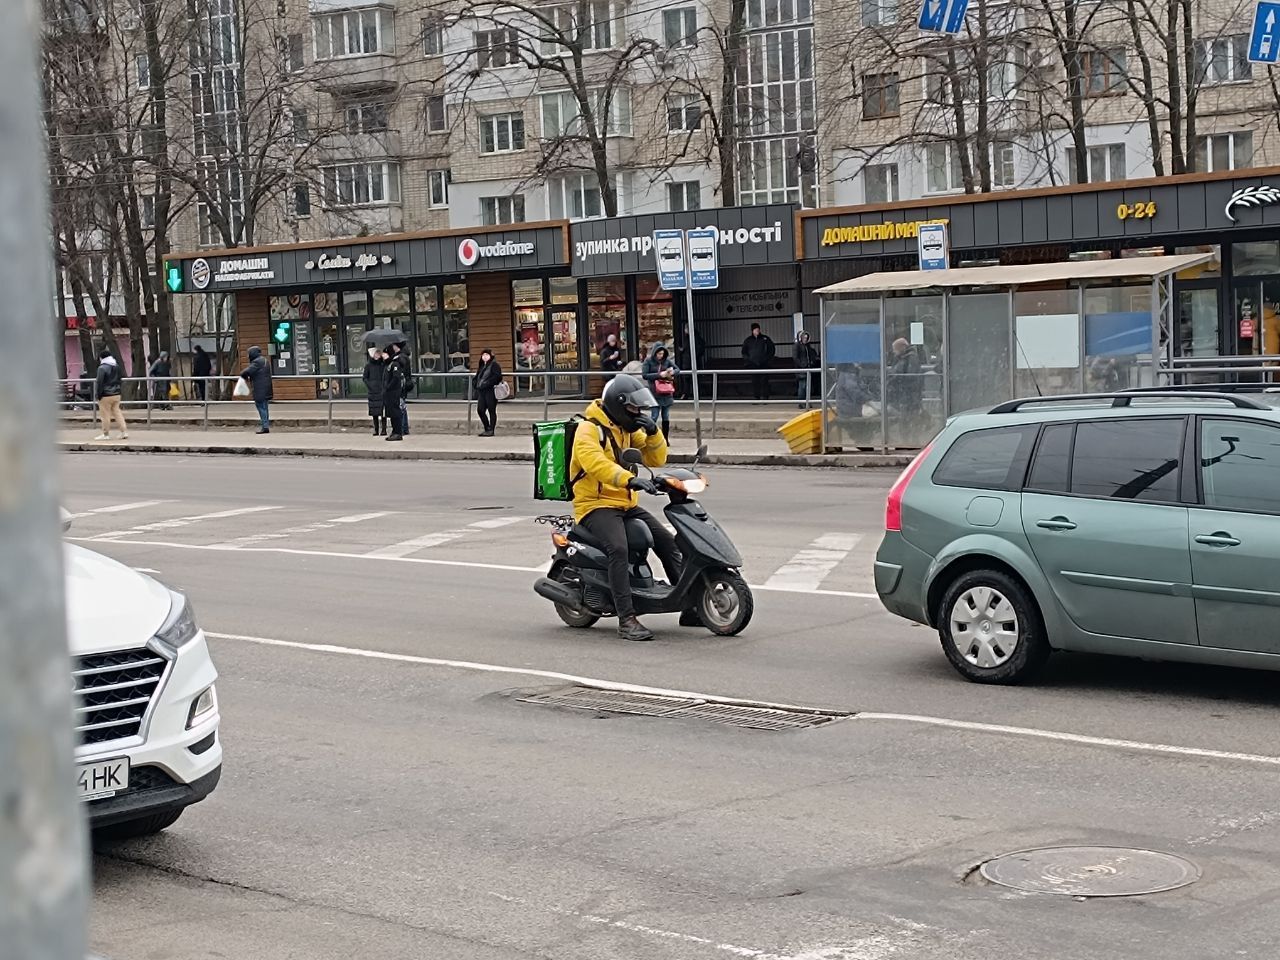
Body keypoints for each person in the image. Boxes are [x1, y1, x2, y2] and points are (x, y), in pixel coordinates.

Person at [571, 374, 690, 642]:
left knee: (667, 542)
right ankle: (626, 619)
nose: (637, 413)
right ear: (617, 404)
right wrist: (630, 479)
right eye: (633, 409)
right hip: (595, 505)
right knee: (619, 549)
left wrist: (652, 431)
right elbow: (595, 464)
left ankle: (689, 604)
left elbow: (655, 458)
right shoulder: (589, 429)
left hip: (625, 504)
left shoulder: (625, 428)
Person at [642, 342, 679, 440]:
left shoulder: (666, 361)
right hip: (654, 392)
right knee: (654, 415)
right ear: (654, 353)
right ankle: (650, 437)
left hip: (666, 392)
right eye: (659, 354)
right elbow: (645, 375)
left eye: (662, 354)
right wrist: (659, 375)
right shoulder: (648, 361)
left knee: (666, 416)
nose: (660, 356)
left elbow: (677, 369)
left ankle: (665, 438)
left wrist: (672, 372)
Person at [93, 349, 127, 440]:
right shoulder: (116, 366)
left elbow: (99, 382)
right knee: (117, 413)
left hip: (106, 394)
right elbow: (120, 378)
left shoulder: (102, 368)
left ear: (102, 358)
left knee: (105, 415)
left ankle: (105, 434)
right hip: (117, 393)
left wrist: (98, 394)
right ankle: (123, 431)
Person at [239, 344, 273, 434]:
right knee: (265, 407)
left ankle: (265, 427)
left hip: (260, 389)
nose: (248, 356)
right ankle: (266, 425)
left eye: (249, 354)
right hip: (266, 388)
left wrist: (243, 376)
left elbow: (246, 371)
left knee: (261, 407)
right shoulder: (264, 360)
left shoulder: (257, 362)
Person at [383, 339, 411, 441]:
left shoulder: (397, 361)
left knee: (398, 410)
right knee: (393, 411)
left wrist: (388, 387)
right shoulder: (391, 362)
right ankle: (396, 431)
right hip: (391, 391)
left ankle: (399, 431)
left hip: (395, 390)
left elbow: (395, 377)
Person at [473, 347, 503, 437]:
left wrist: (487, 383)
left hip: (491, 390)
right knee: (480, 410)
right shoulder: (482, 366)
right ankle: (487, 428)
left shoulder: (494, 365)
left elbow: (497, 377)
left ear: (490, 356)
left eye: (487, 354)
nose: (485, 356)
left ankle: (491, 430)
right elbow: (477, 376)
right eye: (483, 355)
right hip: (482, 391)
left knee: (491, 410)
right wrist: (475, 384)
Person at [741, 323, 775, 400]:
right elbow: (744, 352)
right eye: (756, 330)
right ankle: (756, 397)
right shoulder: (748, 340)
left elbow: (772, 349)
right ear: (752, 331)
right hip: (753, 364)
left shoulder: (765, 339)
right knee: (755, 382)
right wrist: (748, 360)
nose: (757, 331)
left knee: (764, 381)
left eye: (758, 329)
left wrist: (768, 359)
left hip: (764, 364)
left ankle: (765, 397)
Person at [887, 338, 922, 413]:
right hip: (903, 392)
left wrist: (897, 377)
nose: (894, 352)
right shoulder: (901, 358)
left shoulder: (911, 358)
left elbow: (911, 375)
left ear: (902, 348)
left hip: (909, 392)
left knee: (909, 413)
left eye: (895, 349)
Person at [363, 346, 388, 436]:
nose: (378, 355)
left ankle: (384, 429)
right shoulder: (368, 366)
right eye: (376, 353)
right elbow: (365, 377)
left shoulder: (383, 364)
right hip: (373, 391)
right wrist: (370, 386)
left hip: (382, 390)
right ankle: (376, 429)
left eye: (379, 353)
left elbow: (386, 375)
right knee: (374, 412)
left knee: (383, 411)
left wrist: (385, 385)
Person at [793, 331, 819, 408]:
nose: (805, 339)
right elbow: (795, 358)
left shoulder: (808, 346)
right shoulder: (796, 346)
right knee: (802, 386)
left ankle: (808, 401)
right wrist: (802, 365)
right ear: (800, 338)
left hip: (808, 368)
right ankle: (801, 402)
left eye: (806, 338)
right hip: (801, 369)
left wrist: (812, 362)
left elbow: (811, 355)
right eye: (804, 337)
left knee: (808, 386)